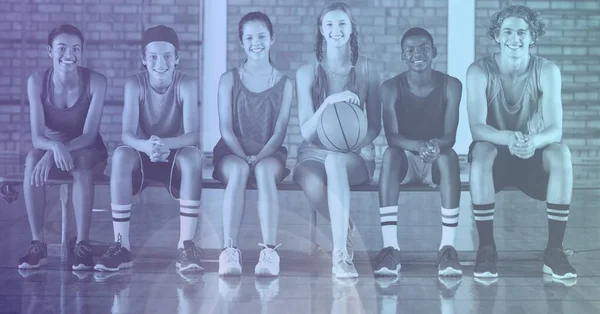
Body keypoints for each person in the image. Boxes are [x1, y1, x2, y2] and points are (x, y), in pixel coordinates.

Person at [466, 5, 576, 280]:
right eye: (507, 31)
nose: (514, 38)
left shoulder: (547, 70)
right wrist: (509, 138)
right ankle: (487, 249)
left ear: (533, 36)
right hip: (496, 161)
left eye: (521, 32)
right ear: (496, 35)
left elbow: (556, 130)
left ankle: (554, 251)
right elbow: (477, 128)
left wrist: (533, 141)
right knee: (480, 151)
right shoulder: (479, 71)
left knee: (561, 153)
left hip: (531, 158)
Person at [94, 25, 204, 273]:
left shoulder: (186, 84)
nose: (160, 63)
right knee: (121, 154)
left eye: (167, 56)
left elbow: (191, 136)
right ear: (144, 59)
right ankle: (121, 246)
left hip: (174, 153)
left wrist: (164, 144)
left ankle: (185, 246)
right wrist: (146, 146)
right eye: (153, 56)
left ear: (177, 58)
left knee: (194, 158)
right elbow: (127, 133)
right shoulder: (135, 84)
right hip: (144, 153)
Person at [293, 2, 381, 279]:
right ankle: (347, 228)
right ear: (321, 30)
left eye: (342, 24)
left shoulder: (368, 69)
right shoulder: (306, 72)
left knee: (334, 161)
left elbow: (375, 126)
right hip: (313, 151)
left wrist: (352, 144)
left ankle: (341, 255)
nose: (336, 30)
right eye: (329, 24)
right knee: (310, 180)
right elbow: (307, 132)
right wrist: (328, 102)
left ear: (351, 28)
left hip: (355, 153)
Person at [373, 27, 463, 277]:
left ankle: (447, 248)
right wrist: (418, 146)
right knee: (389, 155)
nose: (418, 53)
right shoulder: (390, 87)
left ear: (434, 51)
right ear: (403, 56)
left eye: (424, 48)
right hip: (405, 158)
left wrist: (434, 146)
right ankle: (390, 247)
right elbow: (392, 136)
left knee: (450, 157)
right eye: (410, 50)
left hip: (435, 159)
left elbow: (450, 136)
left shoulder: (452, 85)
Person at [18, 24, 109, 271]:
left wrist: (55, 151)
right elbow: (37, 136)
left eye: (75, 49)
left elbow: (89, 135)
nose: (69, 54)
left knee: (80, 162)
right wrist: (51, 149)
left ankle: (82, 245)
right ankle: (38, 243)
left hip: (89, 151)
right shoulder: (37, 81)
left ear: (82, 52)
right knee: (31, 160)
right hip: (53, 149)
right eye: (62, 48)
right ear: (50, 51)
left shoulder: (96, 82)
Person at [213, 11, 293, 277]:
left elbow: (279, 131)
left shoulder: (284, 83)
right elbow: (225, 128)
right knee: (238, 171)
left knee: (263, 171)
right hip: (232, 151)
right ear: (241, 42)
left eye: (261, 36)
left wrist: (258, 157)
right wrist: (244, 156)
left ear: (272, 39)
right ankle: (229, 251)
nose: (255, 42)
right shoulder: (228, 80)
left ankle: (270, 252)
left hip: (269, 152)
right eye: (249, 37)